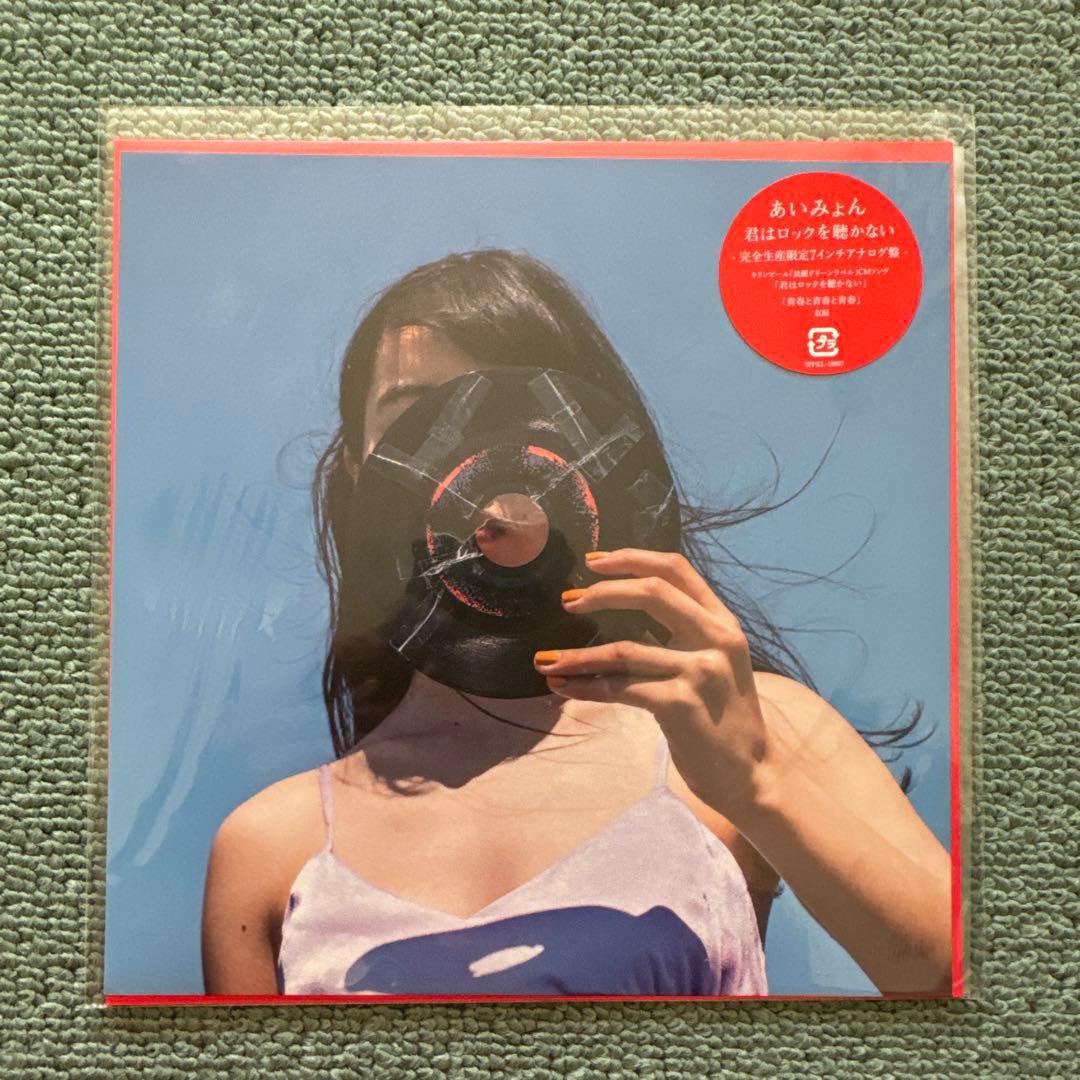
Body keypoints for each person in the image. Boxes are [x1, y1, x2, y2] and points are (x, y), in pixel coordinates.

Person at [201, 249, 952, 997]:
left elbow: (975, 993)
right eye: (415, 413)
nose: (471, 452)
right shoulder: (273, 845)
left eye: (507, 408)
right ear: (360, 468)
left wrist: (757, 783)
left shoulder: (745, 723)